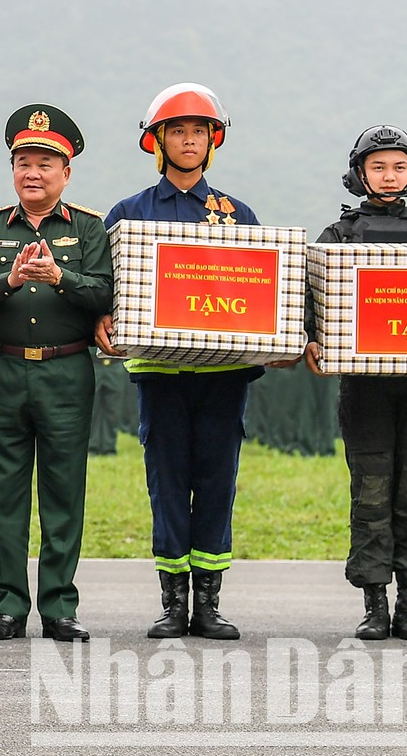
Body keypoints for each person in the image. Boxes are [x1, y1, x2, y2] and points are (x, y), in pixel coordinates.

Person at [98, 84, 259, 641]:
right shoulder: (128, 214)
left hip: (223, 376)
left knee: (217, 481)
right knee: (166, 483)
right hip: (160, 376)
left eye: (199, 131)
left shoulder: (238, 214)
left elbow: (262, 293)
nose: (188, 140)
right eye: (177, 131)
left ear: (213, 141)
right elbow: (105, 291)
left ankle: (209, 604)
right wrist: (103, 321)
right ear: (158, 141)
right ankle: (172, 603)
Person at [0, 105, 112, 643]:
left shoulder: (89, 227)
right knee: (4, 491)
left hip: (67, 370)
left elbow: (104, 291)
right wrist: (7, 280)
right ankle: (8, 604)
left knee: (63, 490)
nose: (33, 172)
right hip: (3, 369)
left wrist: (61, 276)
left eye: (45, 163)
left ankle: (58, 606)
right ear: (13, 169)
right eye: (24, 161)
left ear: (66, 171)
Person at [300, 125, 407, 641]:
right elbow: (310, 300)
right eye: (378, 166)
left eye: (399, 167)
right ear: (359, 174)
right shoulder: (337, 238)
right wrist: (312, 339)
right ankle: (374, 605)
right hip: (365, 390)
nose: (389, 176)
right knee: (372, 492)